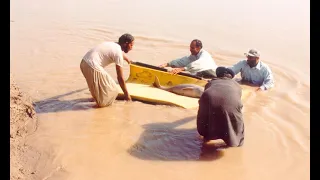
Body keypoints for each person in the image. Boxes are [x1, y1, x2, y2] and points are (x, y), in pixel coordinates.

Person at [80, 33, 134, 107]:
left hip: (84, 63)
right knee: (113, 91)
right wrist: (127, 96)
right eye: (131, 45)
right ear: (126, 44)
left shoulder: (112, 44)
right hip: (92, 66)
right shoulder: (118, 53)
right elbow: (120, 77)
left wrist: (127, 59)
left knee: (96, 95)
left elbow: (118, 52)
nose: (132, 48)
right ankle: (96, 111)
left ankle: (90, 106)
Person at [197, 66, 244, 147]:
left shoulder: (210, 83)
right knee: (235, 117)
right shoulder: (237, 86)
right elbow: (237, 102)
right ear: (231, 78)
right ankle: (234, 143)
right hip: (232, 105)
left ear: (217, 76)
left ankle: (207, 138)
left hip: (209, 101)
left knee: (207, 112)